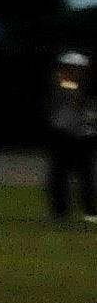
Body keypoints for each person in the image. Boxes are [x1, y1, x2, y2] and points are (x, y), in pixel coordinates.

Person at [46, 49, 95, 222]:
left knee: (86, 174)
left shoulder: (86, 87)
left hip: (83, 136)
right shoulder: (59, 83)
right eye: (67, 67)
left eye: (76, 68)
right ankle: (60, 211)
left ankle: (90, 211)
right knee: (58, 174)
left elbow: (79, 99)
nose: (71, 71)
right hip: (63, 134)